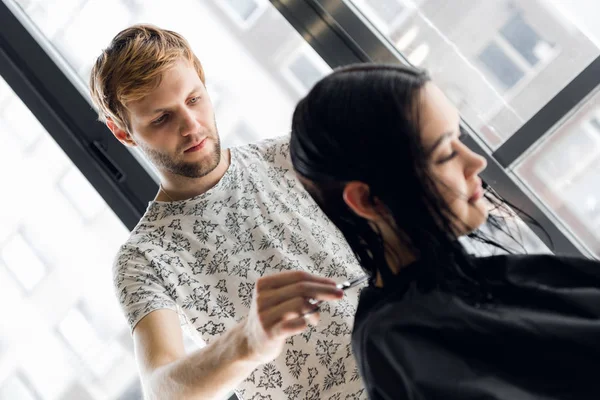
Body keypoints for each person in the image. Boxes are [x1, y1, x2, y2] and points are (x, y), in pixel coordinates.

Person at [289, 63, 600, 400]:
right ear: (369, 200)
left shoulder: (477, 276)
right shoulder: (402, 340)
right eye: (447, 153)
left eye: (459, 138)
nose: (476, 161)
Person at [89, 24, 367, 400]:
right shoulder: (143, 259)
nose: (191, 125)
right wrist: (247, 339)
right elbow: (161, 390)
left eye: (193, 99)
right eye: (161, 119)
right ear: (122, 132)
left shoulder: (293, 155)